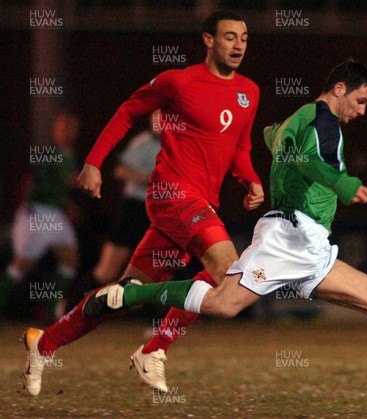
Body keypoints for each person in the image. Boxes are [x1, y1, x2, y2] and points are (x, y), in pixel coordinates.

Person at [84, 60, 367, 407]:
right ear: (339, 88)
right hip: (290, 236)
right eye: (360, 101)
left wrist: (277, 140)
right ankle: (131, 293)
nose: (362, 111)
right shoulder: (323, 122)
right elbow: (304, 159)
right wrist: (342, 181)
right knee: (224, 305)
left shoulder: (302, 117)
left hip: (311, 244)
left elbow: (272, 136)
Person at [21, 10, 264, 397]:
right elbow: (127, 111)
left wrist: (249, 178)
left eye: (244, 38)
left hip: (200, 202)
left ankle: (44, 343)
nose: (239, 45)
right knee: (227, 270)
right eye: (230, 37)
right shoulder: (178, 82)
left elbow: (239, 147)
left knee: (124, 294)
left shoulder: (249, 91)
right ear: (208, 40)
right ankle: (155, 349)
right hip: (172, 193)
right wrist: (93, 162)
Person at [0, 111, 80, 321]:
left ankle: (54, 311)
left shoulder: (69, 154)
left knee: (70, 260)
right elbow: (69, 181)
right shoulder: (53, 154)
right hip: (38, 215)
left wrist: (69, 205)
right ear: (56, 130)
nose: (67, 131)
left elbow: (57, 188)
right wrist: (94, 175)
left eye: (71, 127)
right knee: (22, 266)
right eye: (63, 126)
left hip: (55, 215)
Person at [89, 110, 161, 287]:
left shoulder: (176, 144)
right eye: (156, 117)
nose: (160, 121)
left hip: (159, 212)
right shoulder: (143, 141)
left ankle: (152, 312)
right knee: (107, 269)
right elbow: (120, 171)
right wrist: (151, 179)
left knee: (157, 270)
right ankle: (74, 306)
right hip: (134, 208)